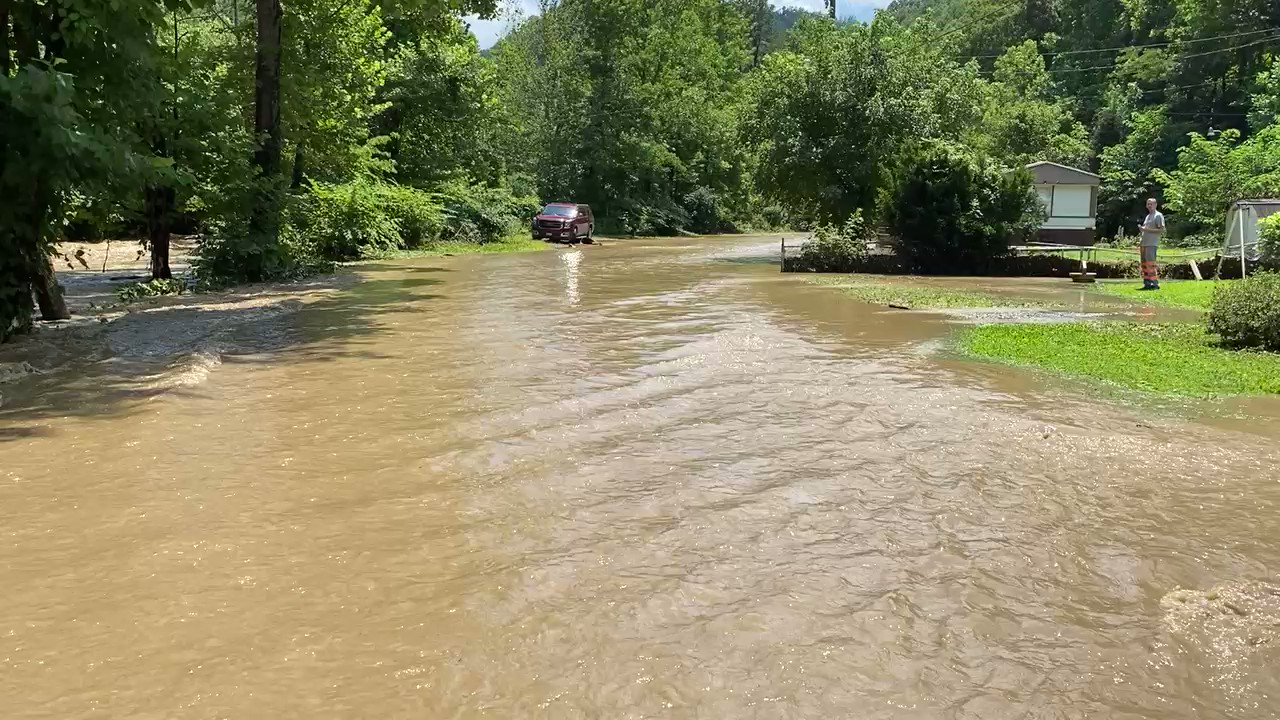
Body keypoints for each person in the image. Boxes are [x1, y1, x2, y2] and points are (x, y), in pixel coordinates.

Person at [1138, 197, 1165, 290]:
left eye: (1151, 204)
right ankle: (1147, 283)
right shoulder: (1148, 216)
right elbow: (1145, 229)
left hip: (1151, 244)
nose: (1149, 206)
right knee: (1144, 264)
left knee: (1150, 263)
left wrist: (1146, 229)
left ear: (1155, 205)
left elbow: (1161, 230)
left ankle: (1155, 284)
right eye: (1148, 204)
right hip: (1144, 243)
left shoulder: (1158, 215)